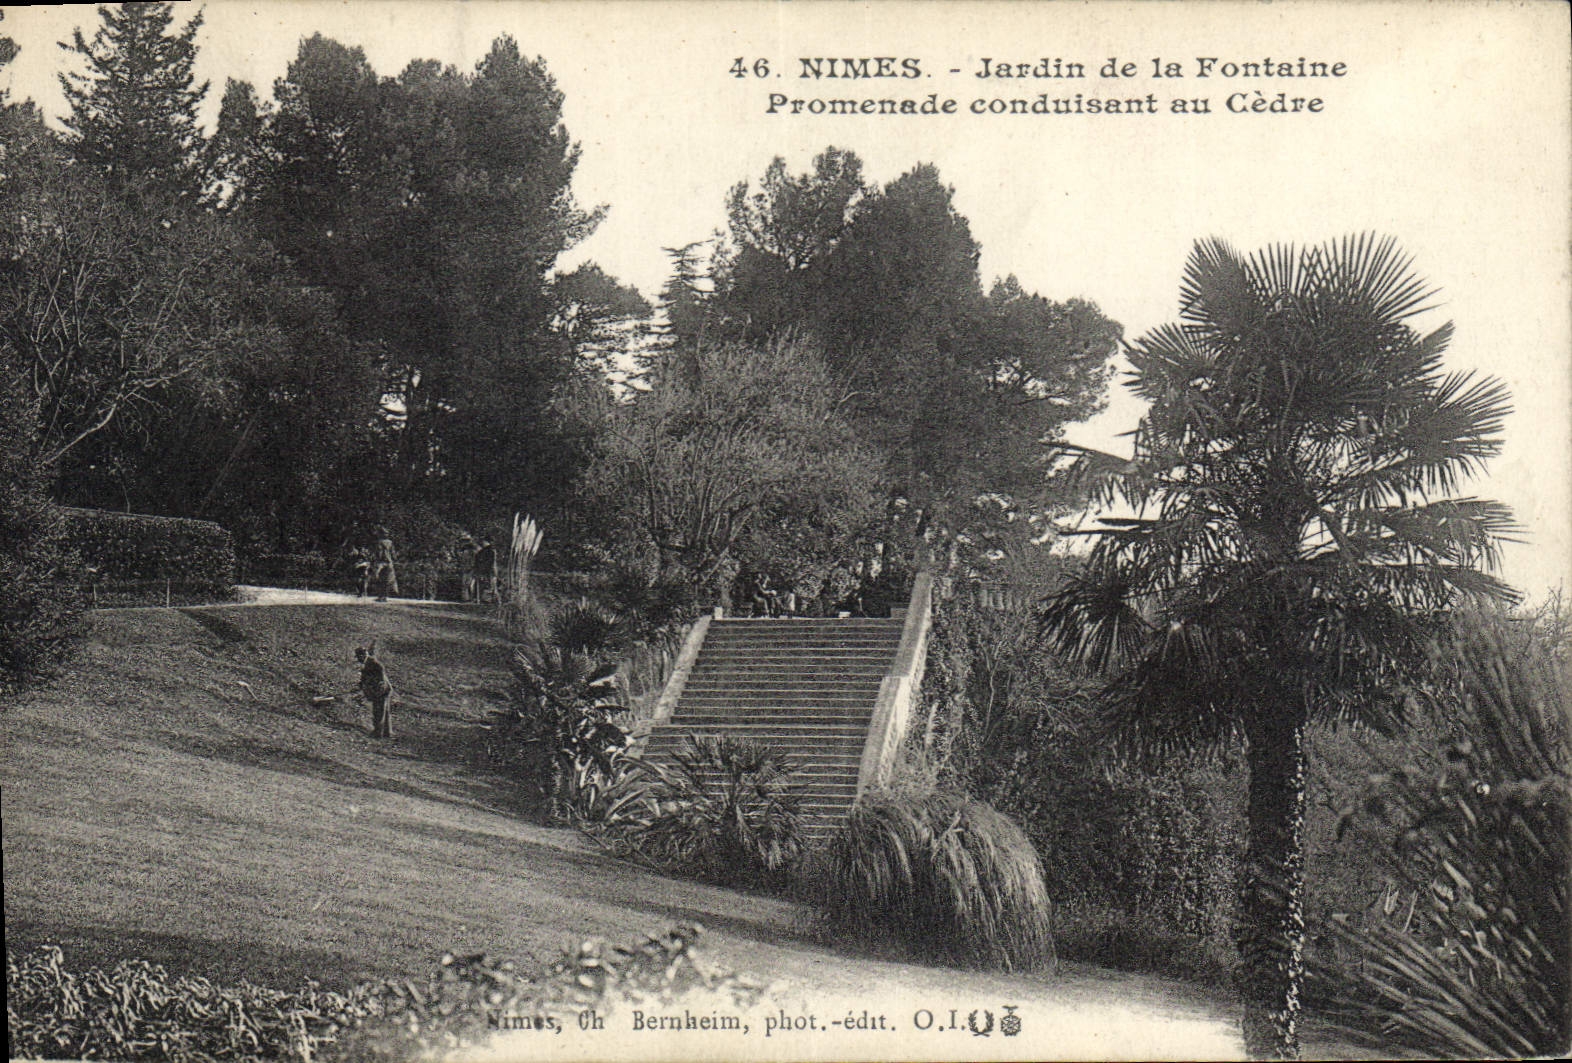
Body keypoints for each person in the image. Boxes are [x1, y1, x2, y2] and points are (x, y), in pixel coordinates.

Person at [356, 643, 394, 738]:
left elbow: (380, 681)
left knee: (378, 711)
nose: (358, 660)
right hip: (380, 690)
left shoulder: (375, 664)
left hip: (382, 690)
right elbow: (364, 678)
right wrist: (361, 685)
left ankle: (378, 733)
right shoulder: (366, 664)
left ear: (363, 655)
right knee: (384, 711)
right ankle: (387, 733)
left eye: (359, 657)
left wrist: (374, 691)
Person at [371, 527, 398, 601]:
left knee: (380, 579)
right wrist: (394, 559)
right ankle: (385, 596)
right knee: (387, 580)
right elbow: (393, 553)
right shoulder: (390, 542)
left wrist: (375, 560)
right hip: (389, 562)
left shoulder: (379, 542)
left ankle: (381, 596)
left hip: (381, 562)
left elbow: (378, 553)